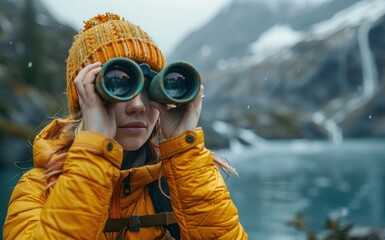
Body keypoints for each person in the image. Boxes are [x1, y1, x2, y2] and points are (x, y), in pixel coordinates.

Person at [3, 12, 248, 240]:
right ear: (87, 97)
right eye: (119, 85)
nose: (138, 106)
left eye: (150, 89)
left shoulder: (180, 181)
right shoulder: (37, 190)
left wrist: (185, 152)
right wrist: (94, 149)